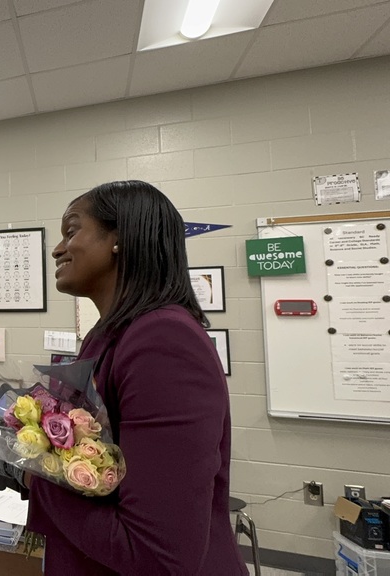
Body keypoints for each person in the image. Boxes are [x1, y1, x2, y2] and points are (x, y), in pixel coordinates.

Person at [27, 180, 244, 574]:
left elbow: (157, 556)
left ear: (119, 238)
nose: (57, 249)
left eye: (71, 230)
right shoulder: (108, 334)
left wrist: (37, 474)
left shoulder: (164, 340)